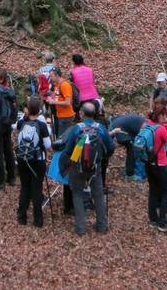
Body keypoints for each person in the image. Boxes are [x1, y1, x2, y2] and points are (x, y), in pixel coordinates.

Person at [63, 101, 114, 236]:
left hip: (77, 167)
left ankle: (81, 228)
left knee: (78, 194)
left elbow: (68, 150)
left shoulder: (76, 129)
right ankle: (102, 226)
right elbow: (111, 147)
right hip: (95, 167)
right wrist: (102, 158)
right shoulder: (101, 129)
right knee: (98, 194)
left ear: (82, 113)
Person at [15, 95, 52, 227]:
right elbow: (48, 145)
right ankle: (37, 220)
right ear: (39, 109)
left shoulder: (22, 122)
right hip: (37, 160)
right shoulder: (41, 125)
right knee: (36, 189)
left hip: (22, 158)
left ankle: (22, 217)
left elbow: (17, 128)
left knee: (25, 187)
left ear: (28, 108)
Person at [144, 98, 167, 233]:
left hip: (148, 163)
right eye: (165, 115)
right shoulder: (161, 129)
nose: (166, 117)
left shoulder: (145, 125)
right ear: (161, 116)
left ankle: (152, 218)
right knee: (166, 193)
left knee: (153, 189)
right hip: (161, 164)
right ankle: (163, 222)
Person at [109, 113, 146, 181]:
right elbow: (141, 142)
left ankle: (129, 169)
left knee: (133, 148)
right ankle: (130, 175)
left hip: (117, 124)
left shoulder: (145, 123)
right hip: (120, 128)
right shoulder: (146, 128)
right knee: (132, 150)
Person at [46, 66, 75, 137]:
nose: (51, 78)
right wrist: (51, 98)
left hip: (66, 117)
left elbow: (68, 102)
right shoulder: (57, 85)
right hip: (60, 116)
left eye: (51, 76)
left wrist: (54, 102)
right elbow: (57, 96)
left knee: (63, 138)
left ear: (57, 75)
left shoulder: (65, 85)